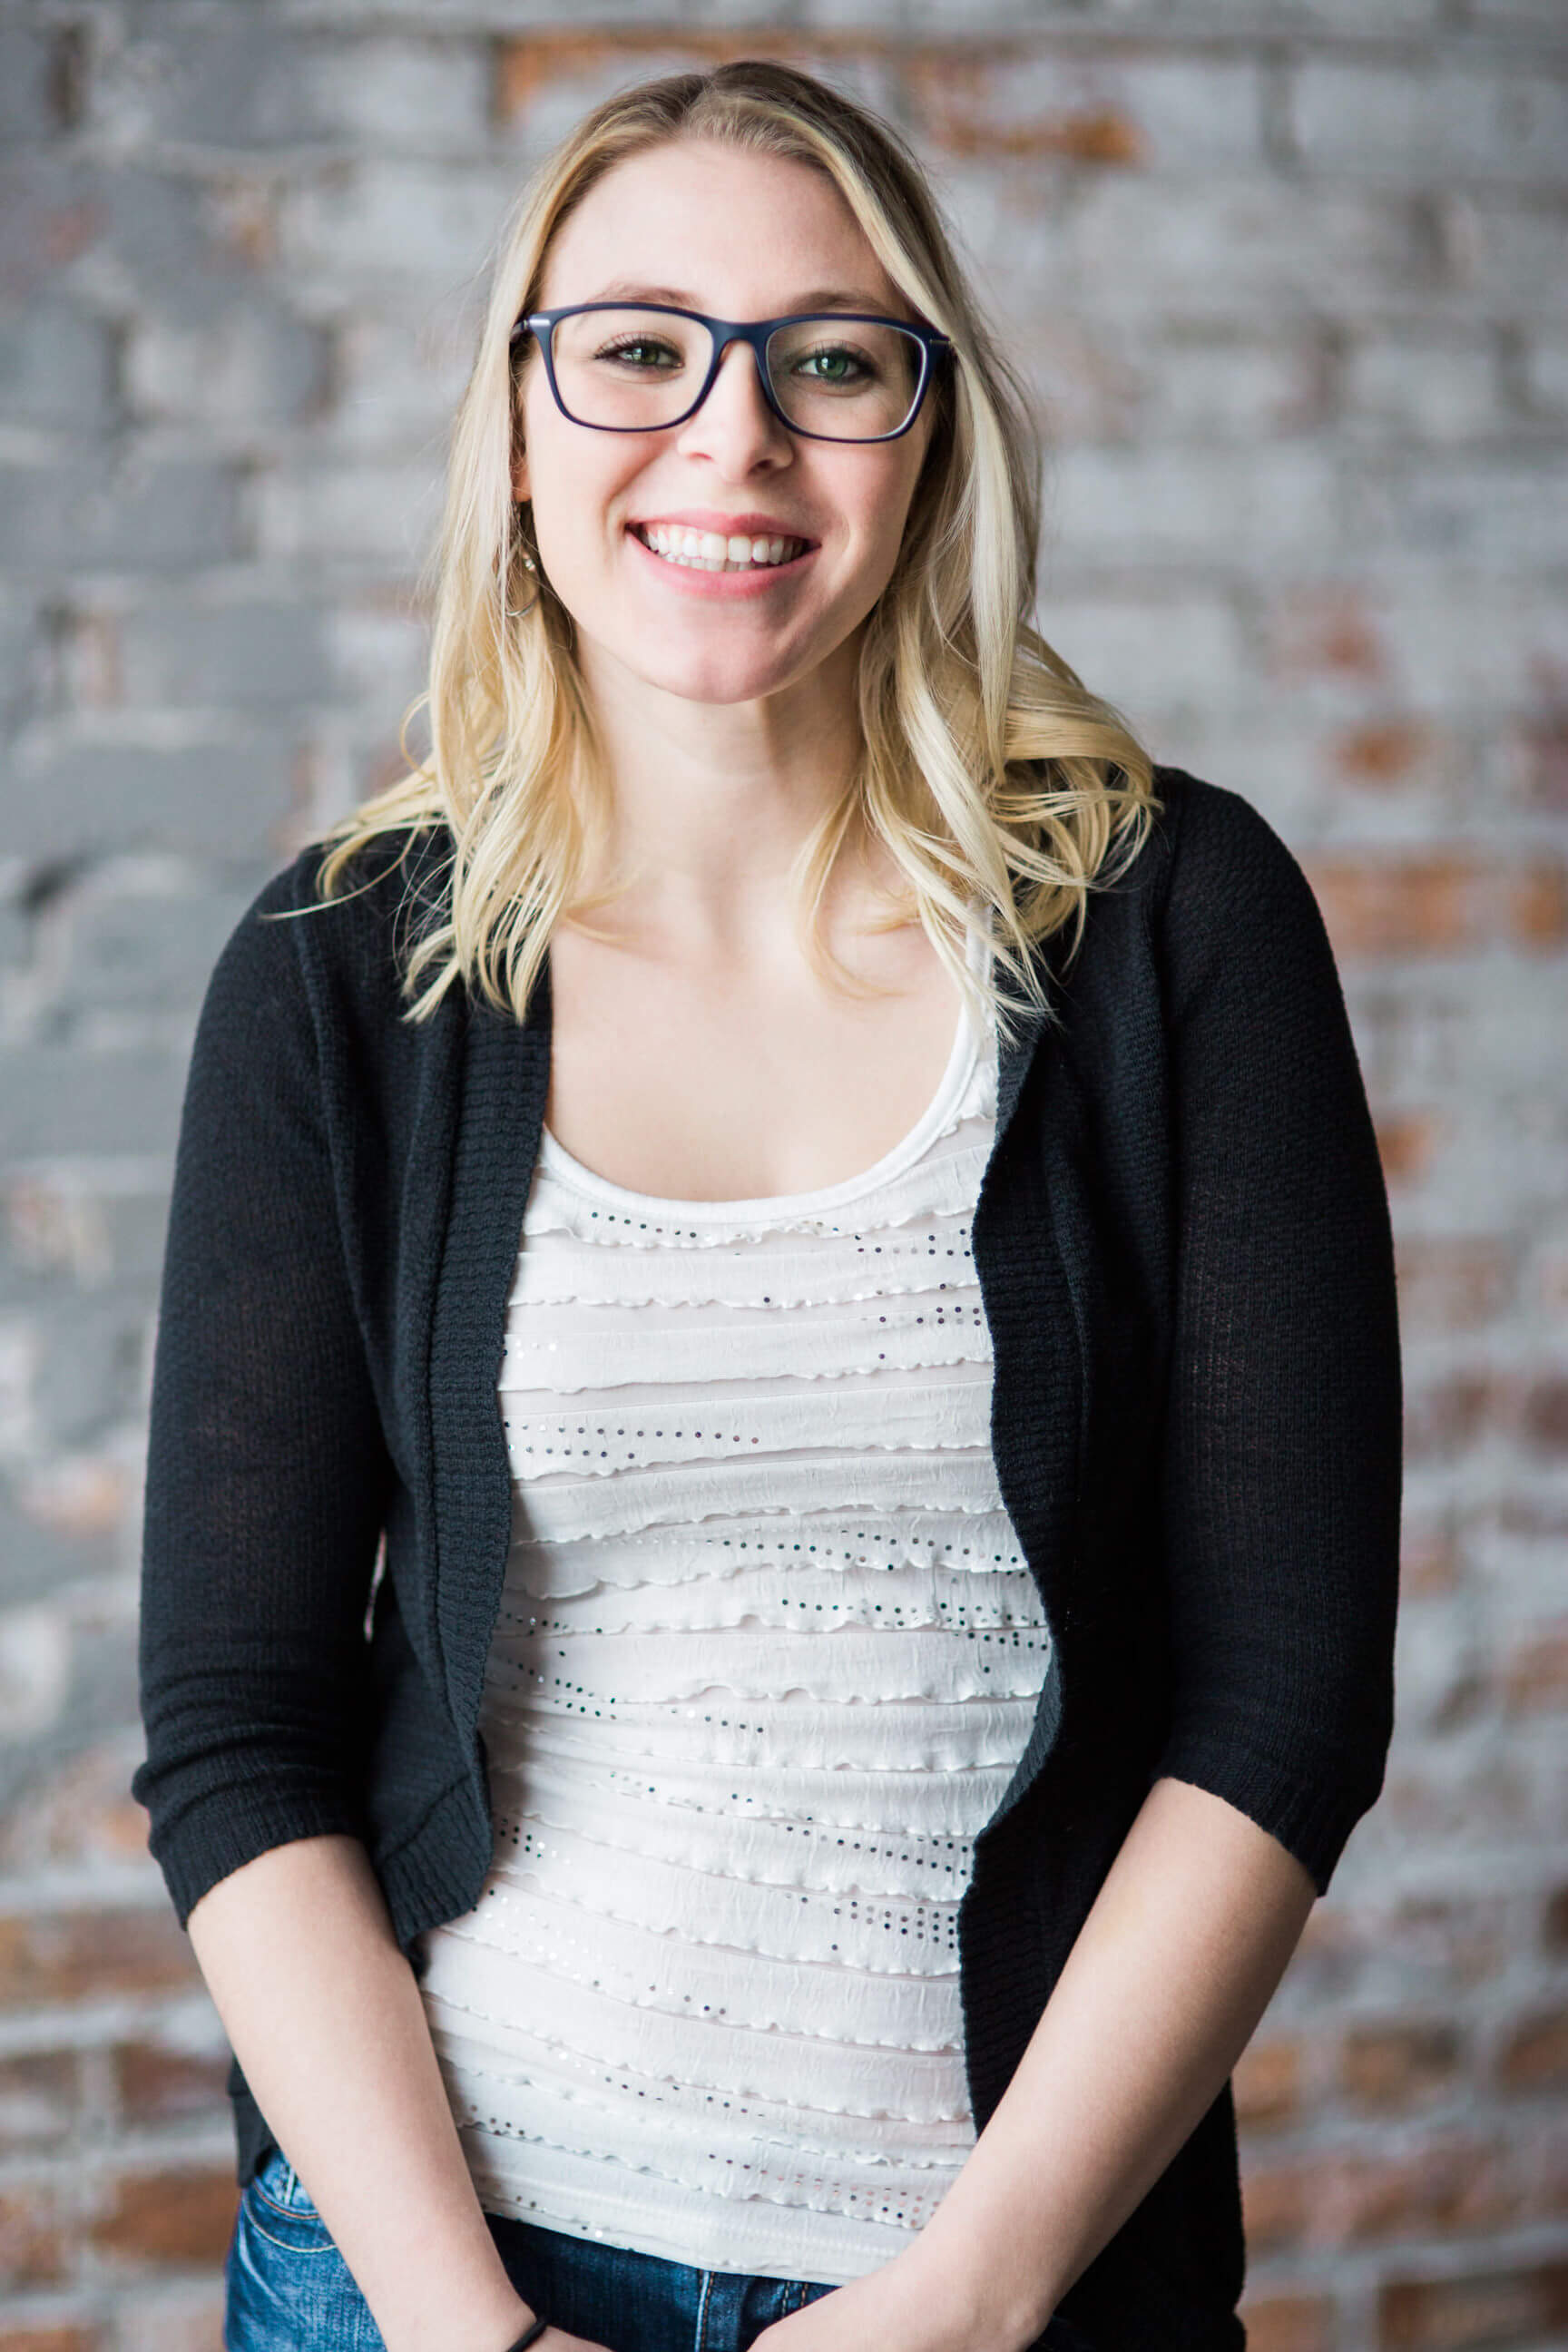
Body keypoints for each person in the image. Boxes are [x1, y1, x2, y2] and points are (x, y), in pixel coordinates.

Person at [132, 58, 1403, 2352]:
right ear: (518, 426)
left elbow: (1284, 1695)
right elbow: (237, 1726)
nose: (734, 441)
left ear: (928, 438)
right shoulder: (339, 974)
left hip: (1021, 2282)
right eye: (636, 348)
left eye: (833, 359)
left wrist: (981, 2294)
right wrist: (457, 2323)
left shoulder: (1170, 922)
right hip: (443, 2262)